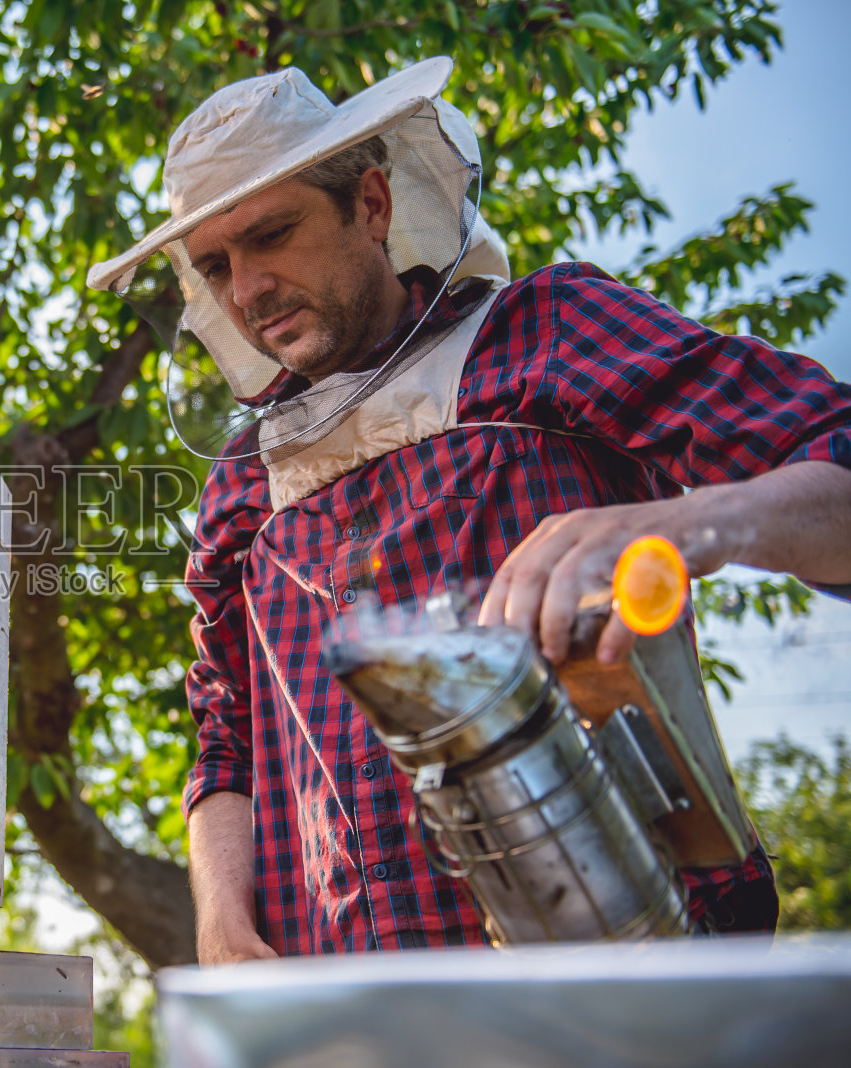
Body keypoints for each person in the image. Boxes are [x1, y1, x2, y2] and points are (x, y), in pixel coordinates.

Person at [85, 57, 851, 959]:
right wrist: (218, 916)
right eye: (216, 266)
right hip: (348, 1002)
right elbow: (227, 734)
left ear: (371, 204)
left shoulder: (549, 331)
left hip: (624, 974)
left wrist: (681, 526)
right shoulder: (241, 481)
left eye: (273, 234)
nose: (246, 290)